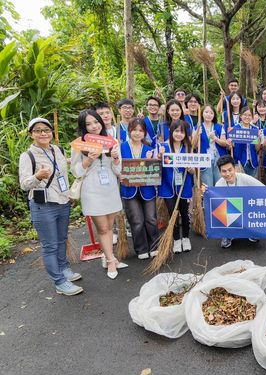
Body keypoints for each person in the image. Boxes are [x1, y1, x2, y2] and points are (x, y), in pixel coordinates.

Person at [19, 117, 82, 295]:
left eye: (46, 130)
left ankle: (64, 268)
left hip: (62, 202)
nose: (43, 133)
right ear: (31, 134)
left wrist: (69, 194)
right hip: (43, 205)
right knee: (50, 245)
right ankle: (59, 282)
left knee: (62, 239)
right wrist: (37, 176)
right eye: (38, 130)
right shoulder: (28, 156)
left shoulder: (58, 150)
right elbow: (24, 184)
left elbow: (63, 174)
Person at [71, 109, 125, 279]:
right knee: (102, 228)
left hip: (110, 188)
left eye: (95, 122)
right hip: (92, 189)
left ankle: (109, 256)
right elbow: (76, 172)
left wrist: (116, 158)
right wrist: (88, 160)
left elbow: (117, 169)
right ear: (83, 126)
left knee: (109, 227)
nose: (93, 126)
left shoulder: (111, 141)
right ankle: (110, 261)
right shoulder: (79, 144)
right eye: (88, 124)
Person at [120, 118, 159, 260]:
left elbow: (155, 171)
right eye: (134, 130)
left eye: (140, 130)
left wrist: (152, 160)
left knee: (151, 219)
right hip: (129, 191)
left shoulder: (149, 150)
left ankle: (154, 246)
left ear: (144, 133)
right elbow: (116, 167)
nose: (137, 133)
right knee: (137, 221)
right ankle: (141, 248)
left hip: (147, 190)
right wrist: (120, 174)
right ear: (129, 131)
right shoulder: (121, 148)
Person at [158, 120, 194, 254]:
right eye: (176, 131)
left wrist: (190, 169)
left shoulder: (188, 148)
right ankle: (176, 239)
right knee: (173, 213)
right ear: (171, 131)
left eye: (182, 132)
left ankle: (185, 238)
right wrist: (159, 156)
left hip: (183, 185)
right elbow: (157, 168)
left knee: (184, 213)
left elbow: (193, 170)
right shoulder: (163, 147)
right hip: (168, 186)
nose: (179, 134)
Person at [213, 155, 264, 248]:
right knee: (220, 210)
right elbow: (216, 205)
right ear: (220, 172)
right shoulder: (219, 184)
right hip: (230, 212)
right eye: (224, 171)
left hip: (246, 209)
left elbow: (262, 188)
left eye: (230, 170)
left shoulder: (244, 178)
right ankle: (227, 235)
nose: (228, 174)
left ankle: (252, 231)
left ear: (235, 168)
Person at [198, 104, 227, 186]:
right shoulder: (198, 127)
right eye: (206, 112)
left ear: (214, 115)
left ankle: (219, 199)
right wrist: (197, 135)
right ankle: (208, 199)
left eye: (211, 113)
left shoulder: (219, 127)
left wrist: (215, 138)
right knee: (207, 183)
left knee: (219, 182)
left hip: (218, 157)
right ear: (202, 114)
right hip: (204, 157)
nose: (208, 114)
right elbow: (194, 145)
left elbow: (225, 143)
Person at [232, 106, 262, 178]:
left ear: (252, 117)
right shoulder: (235, 129)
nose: (247, 117)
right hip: (239, 161)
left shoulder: (255, 129)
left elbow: (257, 149)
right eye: (245, 114)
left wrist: (258, 137)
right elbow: (231, 147)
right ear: (240, 115)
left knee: (252, 184)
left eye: (249, 115)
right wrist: (229, 142)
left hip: (252, 161)